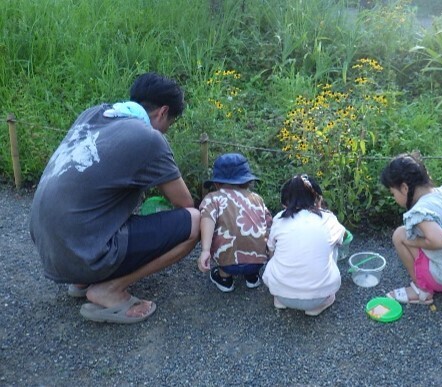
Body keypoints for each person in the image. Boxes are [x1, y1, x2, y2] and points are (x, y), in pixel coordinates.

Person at [29, 72, 200, 324]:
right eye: (170, 123)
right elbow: (184, 204)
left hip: (47, 247)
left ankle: (83, 279)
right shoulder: (149, 137)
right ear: (163, 112)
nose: (167, 130)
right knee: (194, 221)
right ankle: (109, 290)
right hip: (79, 252)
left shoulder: (93, 114)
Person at [380, 152, 442, 304]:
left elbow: (440, 240)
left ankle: (421, 290)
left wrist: (411, 242)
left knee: (400, 235)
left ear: (404, 188)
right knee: (420, 236)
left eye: (393, 193)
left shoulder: (420, 210)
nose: (394, 198)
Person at [262, 174, 348, 316]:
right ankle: (319, 304)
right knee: (333, 246)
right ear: (318, 199)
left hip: (279, 291)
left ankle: (281, 300)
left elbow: (270, 250)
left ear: (286, 202)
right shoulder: (328, 219)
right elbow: (343, 236)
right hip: (318, 296)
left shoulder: (279, 218)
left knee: (276, 252)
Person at [197, 153, 272, 292]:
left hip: (228, 263)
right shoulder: (257, 199)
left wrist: (205, 250)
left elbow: (207, 218)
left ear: (217, 183)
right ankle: (252, 277)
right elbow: (268, 223)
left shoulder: (213, 198)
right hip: (258, 261)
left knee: (221, 235)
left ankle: (225, 278)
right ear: (248, 181)